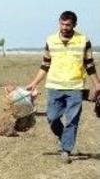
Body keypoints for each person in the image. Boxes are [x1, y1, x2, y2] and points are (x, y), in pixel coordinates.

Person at [25, 11, 100, 163]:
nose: (64, 27)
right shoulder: (51, 40)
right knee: (52, 118)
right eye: (62, 24)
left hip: (75, 87)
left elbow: (89, 64)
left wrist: (97, 84)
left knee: (72, 120)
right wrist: (34, 83)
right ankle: (63, 137)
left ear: (74, 25)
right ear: (59, 23)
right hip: (54, 86)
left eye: (68, 25)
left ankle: (66, 150)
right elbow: (45, 64)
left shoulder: (83, 40)